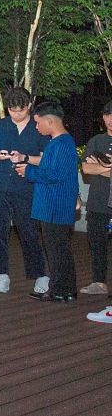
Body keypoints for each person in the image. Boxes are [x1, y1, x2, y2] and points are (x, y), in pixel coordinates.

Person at [0, 87, 50, 295]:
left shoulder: (39, 128)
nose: (17, 114)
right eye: (12, 110)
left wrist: (25, 158)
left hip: (25, 185)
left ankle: (40, 274)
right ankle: (1, 275)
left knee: (29, 230)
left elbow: (45, 159)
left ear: (29, 105)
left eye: (21, 110)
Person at [16, 100, 79, 303]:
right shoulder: (60, 143)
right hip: (54, 205)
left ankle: (59, 290)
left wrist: (28, 171)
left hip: (54, 206)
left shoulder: (61, 144)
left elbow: (54, 174)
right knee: (60, 249)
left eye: (38, 122)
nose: (36, 127)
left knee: (56, 250)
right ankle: (66, 289)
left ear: (50, 121)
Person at [79, 100, 112, 297]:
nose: (110, 120)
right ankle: (99, 282)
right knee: (97, 244)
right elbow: (86, 168)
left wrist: (99, 166)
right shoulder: (96, 141)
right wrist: (108, 167)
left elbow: (94, 167)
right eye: (107, 116)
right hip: (98, 203)